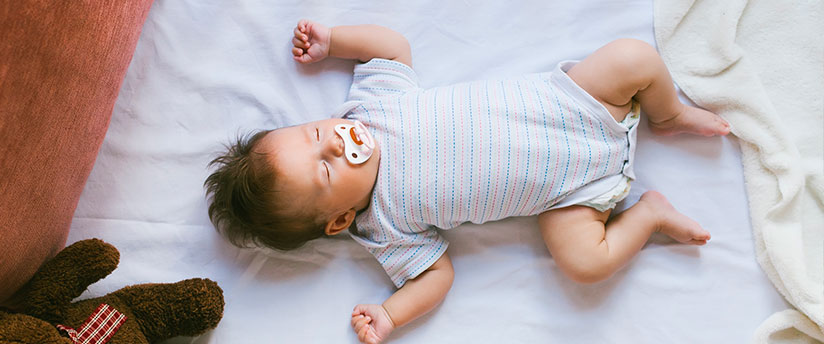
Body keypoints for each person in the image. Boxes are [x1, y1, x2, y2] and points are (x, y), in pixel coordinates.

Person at [204, 19, 730, 344]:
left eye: (317, 132)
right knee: (584, 263)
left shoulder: (371, 105)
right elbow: (435, 278)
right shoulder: (383, 227)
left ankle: (668, 114)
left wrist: (333, 41)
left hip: (573, 103)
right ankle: (649, 213)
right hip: (569, 194)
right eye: (325, 167)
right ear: (339, 219)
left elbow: (391, 47)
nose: (337, 141)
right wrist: (390, 314)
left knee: (632, 56)